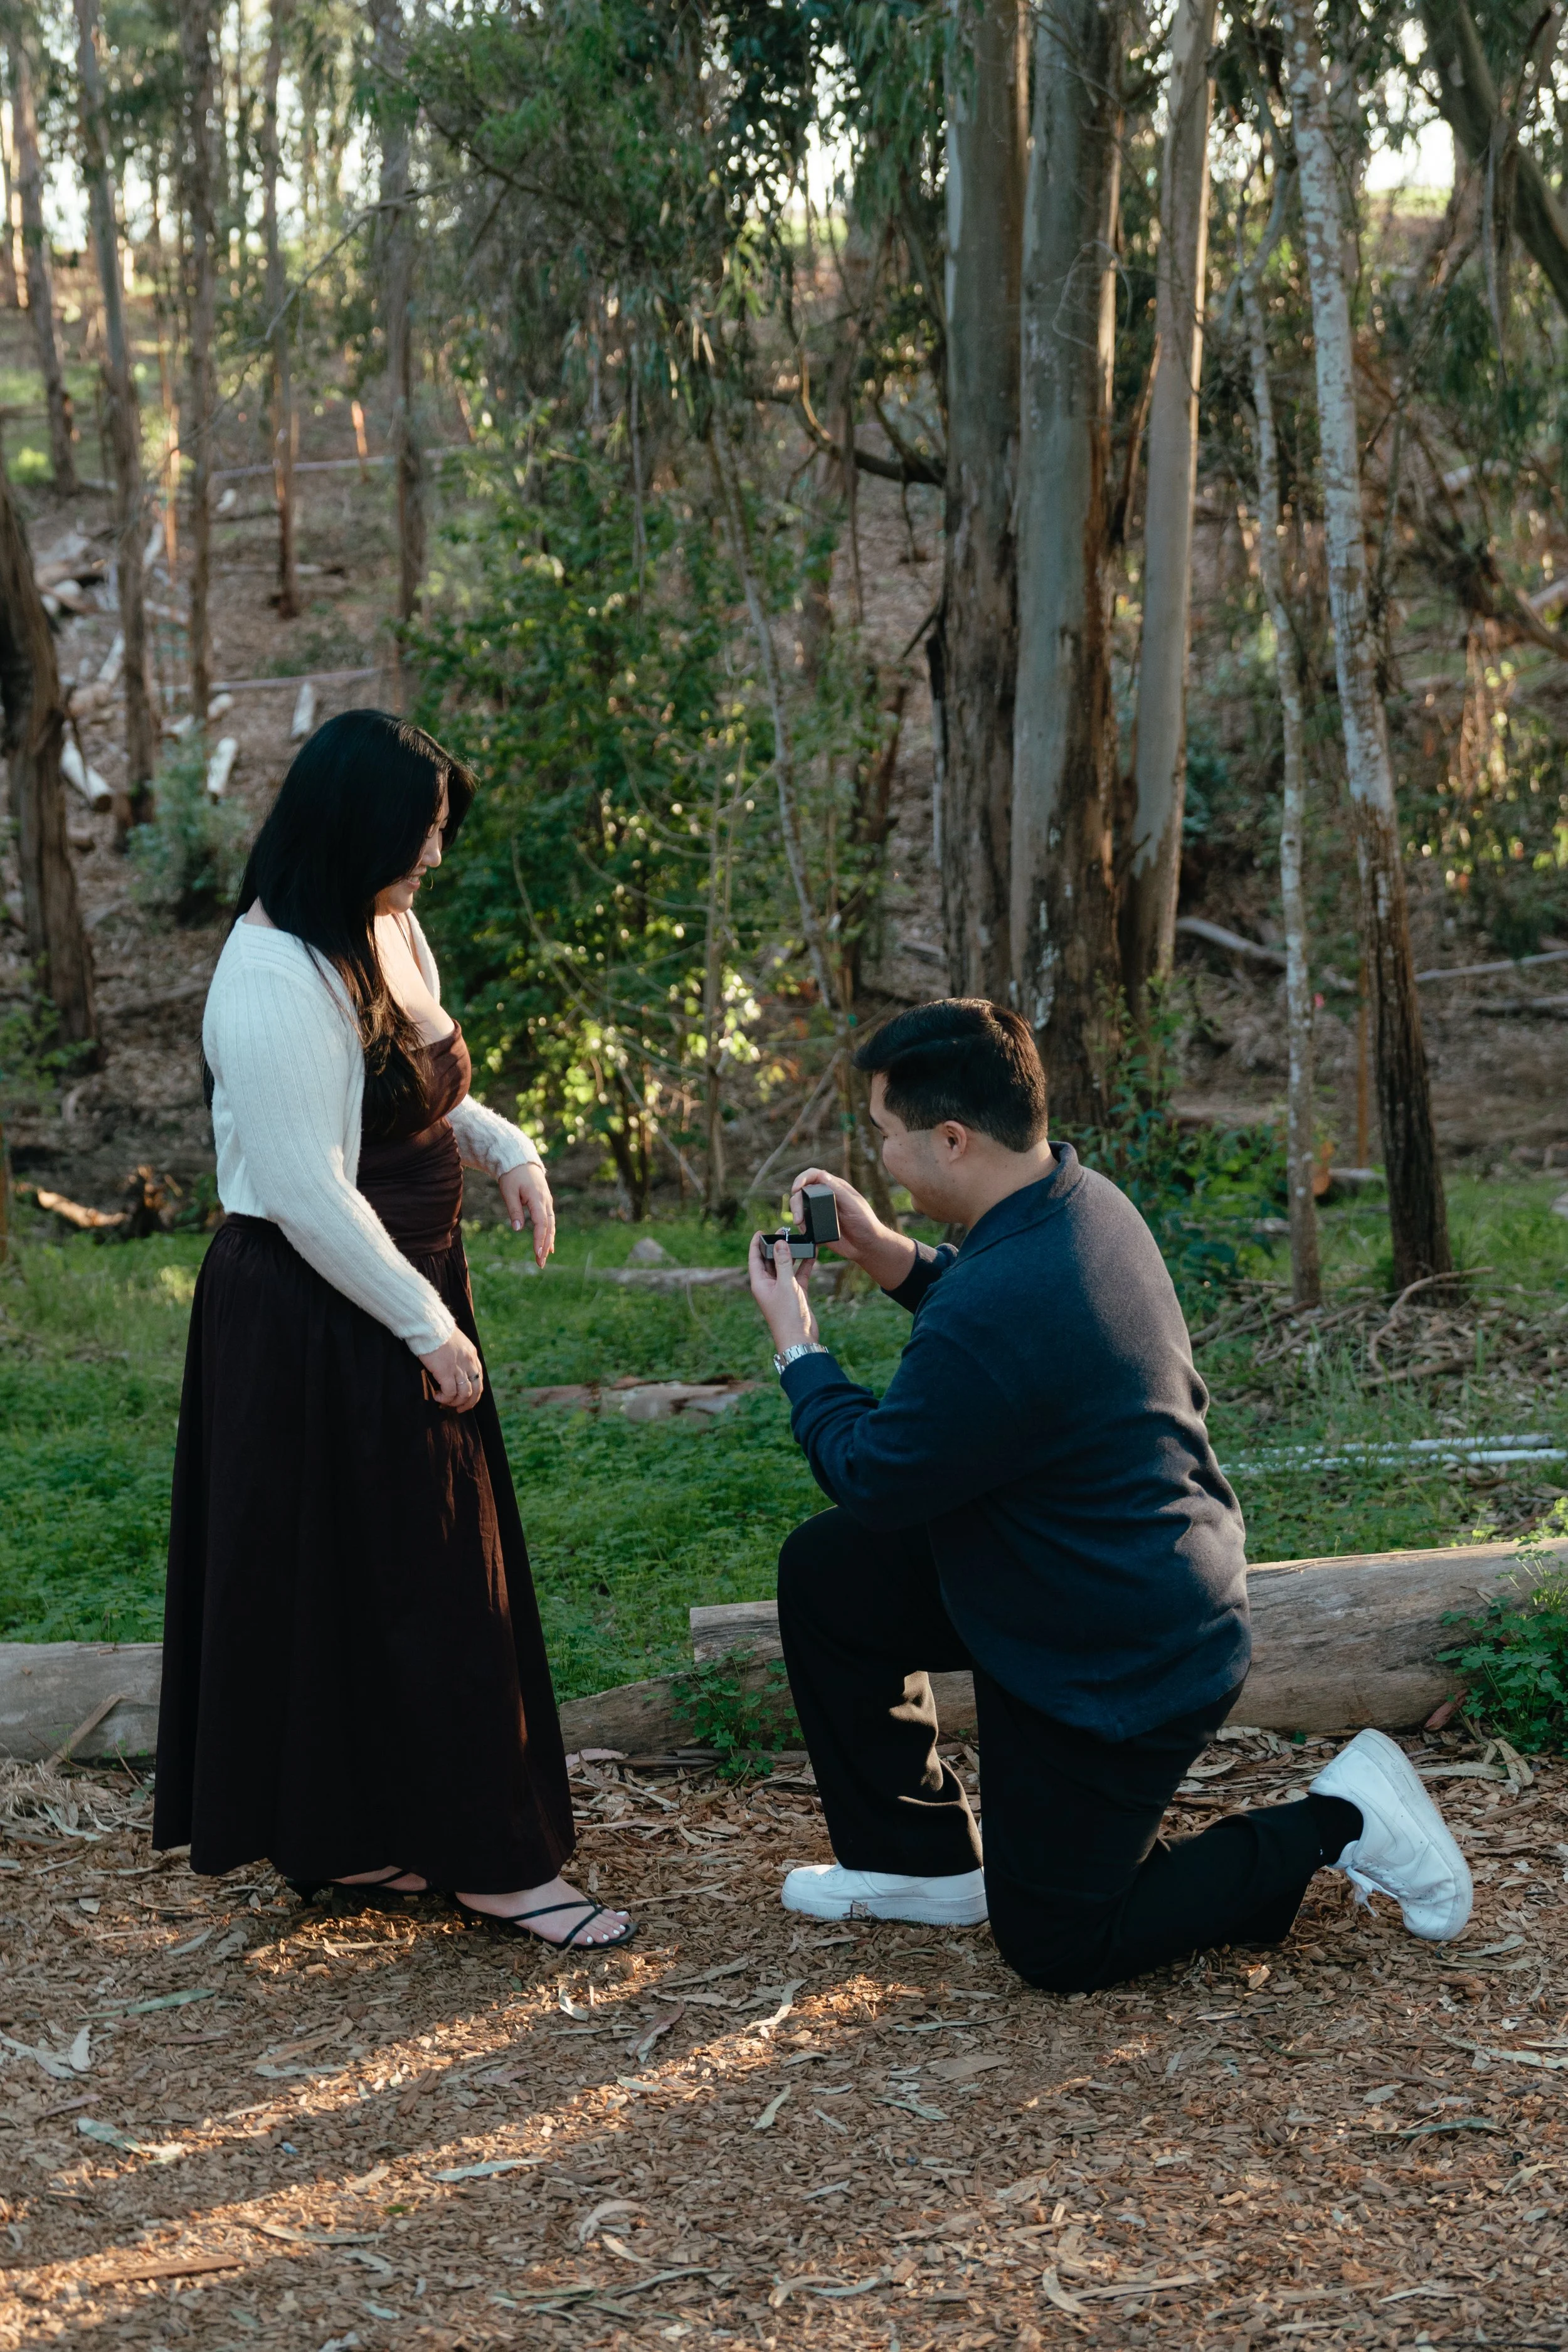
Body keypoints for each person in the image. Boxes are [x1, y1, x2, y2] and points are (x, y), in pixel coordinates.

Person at [745, 999, 1470, 1992]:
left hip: (1121, 1651)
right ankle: (921, 1861)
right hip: (1082, 1568)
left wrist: (799, 1349)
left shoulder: (1002, 1298)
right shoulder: (1075, 1198)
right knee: (833, 1574)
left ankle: (1344, 1819)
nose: (880, 1157)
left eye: (886, 1133)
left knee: (1058, 1943)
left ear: (952, 1139)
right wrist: (885, 1251)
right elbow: (1002, 1325)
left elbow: (874, 1471)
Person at [152, 710, 633, 1951]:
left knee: (385, 1573)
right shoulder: (271, 974)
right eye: (418, 832)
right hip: (315, 1309)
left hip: (392, 1289)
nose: (434, 855)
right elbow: (307, 1188)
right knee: (425, 1580)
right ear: (350, 828)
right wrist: (425, 1324)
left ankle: (366, 1833)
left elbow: (412, 1084)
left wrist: (508, 1147)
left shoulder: (381, 922)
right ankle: (492, 1866)